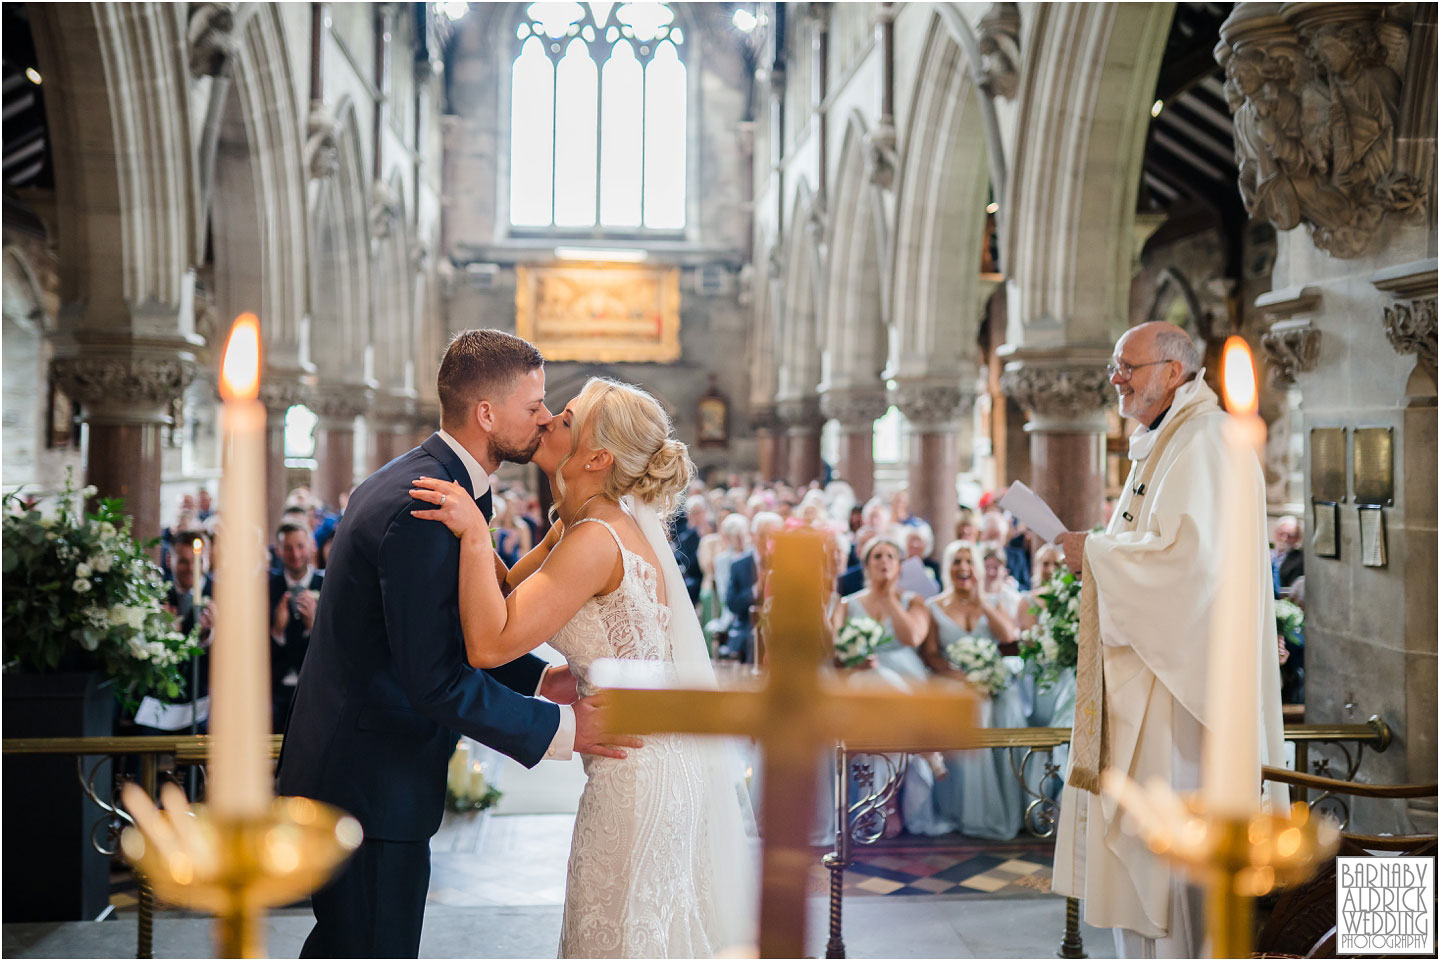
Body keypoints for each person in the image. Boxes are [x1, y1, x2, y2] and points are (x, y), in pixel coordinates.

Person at [276, 330, 637, 958]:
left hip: (358, 768)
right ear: (487, 415)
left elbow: (435, 630)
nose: (546, 418)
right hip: (369, 783)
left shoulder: (430, 479)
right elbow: (435, 677)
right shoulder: (425, 506)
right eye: (534, 407)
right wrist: (563, 729)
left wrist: (535, 679)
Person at [409, 376, 756, 958]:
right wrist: (480, 536)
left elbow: (491, 643)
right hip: (654, 759)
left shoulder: (596, 538)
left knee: (616, 935)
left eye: (565, 420)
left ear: (597, 457)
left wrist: (473, 534)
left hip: (637, 769)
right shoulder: (580, 525)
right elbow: (503, 594)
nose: (546, 421)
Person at [1051, 321, 1287, 958]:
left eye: (1128, 365)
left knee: (1182, 874)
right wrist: (1100, 554)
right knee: (1155, 867)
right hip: (1155, 682)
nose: (1116, 378)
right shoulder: (1164, 439)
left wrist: (1094, 555)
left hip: (1184, 701)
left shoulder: (1205, 439)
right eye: (1114, 365)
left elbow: (1186, 566)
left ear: (1173, 372)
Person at [919, 540, 1026, 839]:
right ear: (947, 568)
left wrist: (982, 601)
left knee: (1009, 703)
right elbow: (930, 654)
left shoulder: (993, 602)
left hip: (990, 679)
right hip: (951, 679)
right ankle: (967, 809)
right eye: (956, 562)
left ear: (977, 569)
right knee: (972, 705)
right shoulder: (933, 606)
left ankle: (1007, 802)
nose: (962, 568)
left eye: (968, 561)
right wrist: (955, 674)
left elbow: (1008, 635)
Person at [268, 521, 324, 733]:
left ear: (312, 546)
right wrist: (277, 633)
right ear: (278, 551)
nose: (296, 554)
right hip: (275, 691)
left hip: (314, 689)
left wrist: (313, 628)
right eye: (288, 548)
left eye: (301, 546)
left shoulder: (327, 584)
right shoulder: (266, 588)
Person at [725, 511, 782, 664]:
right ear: (753, 535)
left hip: (781, 625)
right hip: (748, 625)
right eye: (763, 535)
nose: (767, 540)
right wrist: (755, 589)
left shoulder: (785, 565)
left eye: (773, 535)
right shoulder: (739, 565)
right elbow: (732, 604)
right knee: (753, 638)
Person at [1272, 514, 1304, 592]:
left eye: (1290, 536)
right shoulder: (1267, 554)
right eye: (1281, 534)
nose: (1284, 539)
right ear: (1275, 533)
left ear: (1298, 538)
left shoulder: (1300, 559)